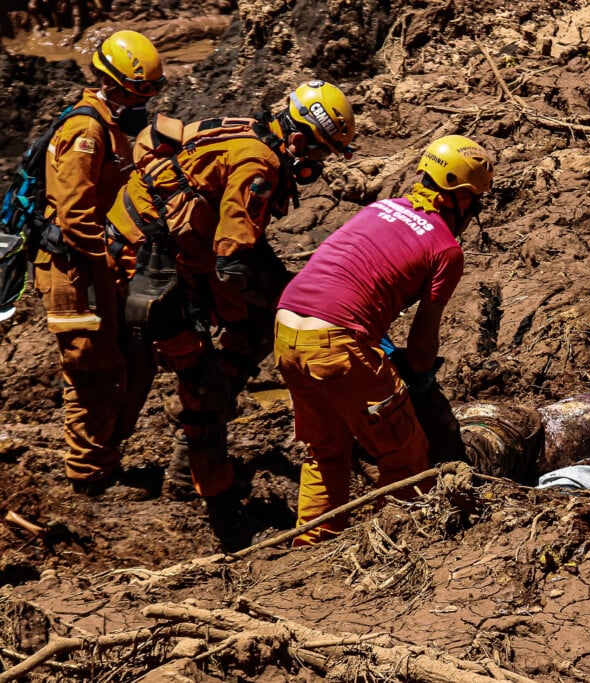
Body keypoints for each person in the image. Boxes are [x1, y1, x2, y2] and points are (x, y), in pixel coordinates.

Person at [105, 80, 356, 518]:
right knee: (198, 372)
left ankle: (200, 430)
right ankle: (208, 489)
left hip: (178, 245)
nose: (316, 166)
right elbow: (234, 247)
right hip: (147, 256)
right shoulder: (259, 164)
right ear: (297, 139)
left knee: (259, 323)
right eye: (317, 154)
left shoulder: (251, 132)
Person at [274, 134, 494, 545]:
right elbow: (424, 344)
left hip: (287, 328)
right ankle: (393, 547)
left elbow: (352, 278)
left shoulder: (380, 209)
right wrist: (421, 381)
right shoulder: (445, 249)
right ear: (459, 196)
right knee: (408, 455)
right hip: (337, 339)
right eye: (474, 202)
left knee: (326, 450)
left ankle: (308, 551)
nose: (474, 212)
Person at [36, 29, 164, 494]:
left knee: (126, 361)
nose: (143, 100)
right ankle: (88, 478)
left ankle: (103, 459)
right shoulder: (87, 131)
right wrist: (111, 259)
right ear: (111, 84)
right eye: (137, 91)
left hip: (92, 267)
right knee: (91, 370)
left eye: (151, 90)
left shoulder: (109, 127)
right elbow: (74, 216)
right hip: (75, 271)